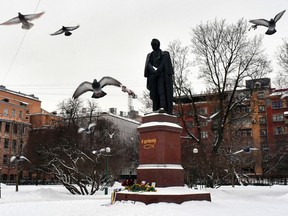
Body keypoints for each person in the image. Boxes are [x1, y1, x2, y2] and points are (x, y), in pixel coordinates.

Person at [144, 38, 174, 114]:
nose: (153, 46)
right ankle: (155, 109)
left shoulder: (165, 54)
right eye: (152, 45)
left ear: (158, 45)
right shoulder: (149, 55)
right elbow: (148, 64)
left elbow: (164, 64)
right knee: (154, 94)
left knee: (161, 92)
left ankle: (163, 107)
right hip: (153, 77)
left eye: (154, 45)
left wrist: (157, 71)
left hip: (161, 77)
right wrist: (153, 70)